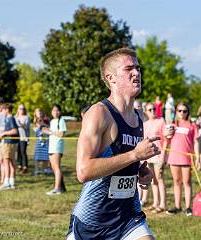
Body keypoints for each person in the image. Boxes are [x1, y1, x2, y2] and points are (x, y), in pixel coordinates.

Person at [68, 48, 159, 240]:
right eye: (129, 69)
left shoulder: (138, 117)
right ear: (111, 78)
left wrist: (140, 172)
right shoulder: (99, 114)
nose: (137, 73)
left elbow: (128, 160)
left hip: (128, 216)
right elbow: (83, 171)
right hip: (93, 221)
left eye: (138, 68)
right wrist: (134, 155)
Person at [165, 102, 199, 216]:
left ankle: (188, 207)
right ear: (176, 112)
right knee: (176, 182)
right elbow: (166, 139)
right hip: (174, 157)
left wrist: (197, 157)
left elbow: (196, 141)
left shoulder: (192, 125)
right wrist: (166, 134)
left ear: (188, 112)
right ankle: (177, 206)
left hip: (186, 157)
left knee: (187, 182)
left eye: (184, 111)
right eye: (179, 111)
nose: (182, 113)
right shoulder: (172, 124)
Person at [143, 102, 167, 213]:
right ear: (146, 112)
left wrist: (163, 156)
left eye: (154, 109)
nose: (152, 111)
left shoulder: (161, 121)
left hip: (158, 154)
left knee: (160, 177)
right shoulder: (145, 124)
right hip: (149, 155)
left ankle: (163, 204)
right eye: (150, 109)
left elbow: (165, 139)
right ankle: (155, 203)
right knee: (153, 179)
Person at [0, 103, 19, 190]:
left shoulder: (10, 118)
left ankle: (7, 183)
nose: (2, 112)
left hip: (9, 142)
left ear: (7, 110)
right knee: (11, 163)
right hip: (10, 142)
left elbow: (15, 131)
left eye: (3, 110)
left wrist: (4, 133)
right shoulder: (10, 118)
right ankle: (11, 183)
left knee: (7, 162)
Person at [45, 104, 67, 195]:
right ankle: (61, 187)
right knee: (54, 168)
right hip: (51, 147)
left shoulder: (61, 120)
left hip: (57, 147)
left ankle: (57, 188)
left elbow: (62, 134)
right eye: (54, 110)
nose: (55, 112)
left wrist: (50, 132)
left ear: (60, 111)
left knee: (57, 168)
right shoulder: (52, 121)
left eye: (57, 110)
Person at [33, 109, 50, 175]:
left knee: (45, 156)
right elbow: (36, 129)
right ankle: (36, 170)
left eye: (40, 112)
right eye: (37, 112)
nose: (39, 113)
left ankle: (45, 169)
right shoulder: (35, 121)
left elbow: (48, 128)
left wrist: (43, 125)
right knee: (37, 156)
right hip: (39, 140)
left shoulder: (46, 120)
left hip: (45, 140)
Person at [15, 104, 30, 174]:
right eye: (20, 108)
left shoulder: (26, 117)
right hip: (16, 137)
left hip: (23, 137)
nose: (22, 110)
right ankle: (19, 165)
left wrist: (20, 123)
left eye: (23, 109)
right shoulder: (15, 117)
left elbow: (26, 127)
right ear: (18, 109)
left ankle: (25, 167)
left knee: (23, 151)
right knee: (18, 152)